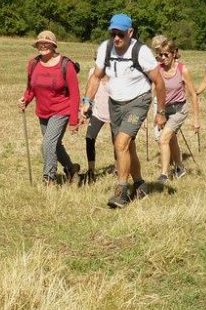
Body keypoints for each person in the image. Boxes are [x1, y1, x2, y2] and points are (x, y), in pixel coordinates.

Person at [81, 13, 166, 209]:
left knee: (121, 144)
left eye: (120, 34)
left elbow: (159, 82)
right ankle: (139, 183)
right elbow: (96, 77)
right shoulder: (106, 48)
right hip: (115, 103)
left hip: (138, 101)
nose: (116, 38)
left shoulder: (141, 51)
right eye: (113, 33)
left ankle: (121, 192)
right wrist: (87, 102)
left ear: (130, 32)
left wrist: (161, 112)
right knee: (125, 147)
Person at [18, 30, 81, 185]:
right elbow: (31, 88)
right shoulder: (33, 64)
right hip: (43, 112)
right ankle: (71, 169)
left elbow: (75, 94)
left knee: (47, 144)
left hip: (61, 110)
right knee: (54, 145)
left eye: (47, 43)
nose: (43, 45)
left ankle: (49, 179)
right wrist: (25, 99)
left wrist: (74, 120)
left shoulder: (66, 64)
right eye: (40, 43)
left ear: (53, 46)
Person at [151, 37, 200, 183]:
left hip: (179, 110)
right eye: (161, 55)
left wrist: (196, 120)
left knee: (163, 138)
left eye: (167, 54)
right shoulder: (157, 69)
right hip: (164, 110)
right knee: (171, 139)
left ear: (174, 53)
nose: (163, 58)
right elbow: (153, 91)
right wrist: (150, 113)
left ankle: (164, 175)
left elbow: (193, 94)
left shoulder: (182, 69)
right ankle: (179, 167)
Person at [84, 67, 114, 183]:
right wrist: (87, 107)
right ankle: (91, 171)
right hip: (97, 112)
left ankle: (119, 167)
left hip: (114, 114)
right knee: (89, 138)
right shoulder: (92, 71)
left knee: (117, 143)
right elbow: (89, 92)